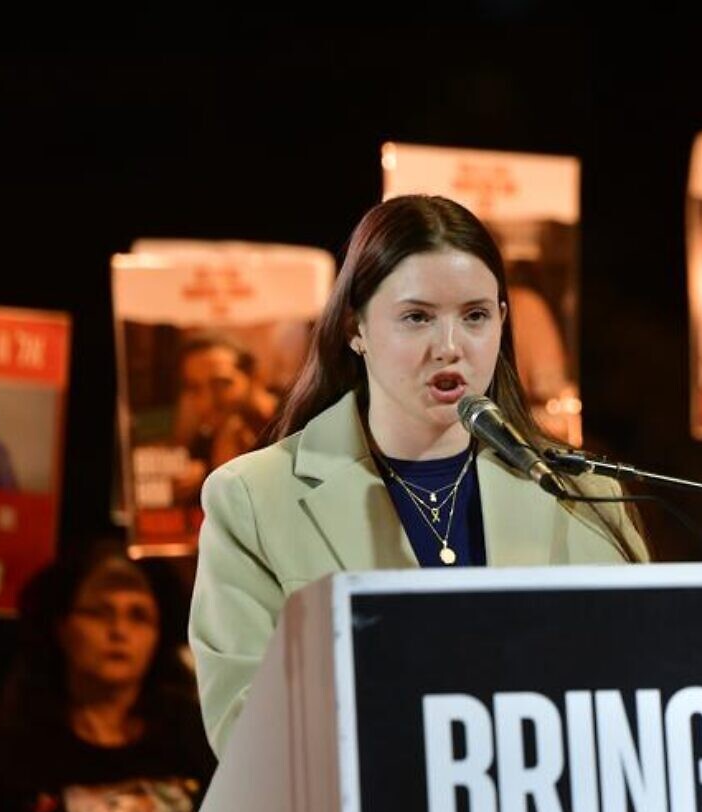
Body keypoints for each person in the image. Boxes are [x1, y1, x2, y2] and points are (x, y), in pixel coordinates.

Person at [189, 194, 648, 755]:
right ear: (355, 327)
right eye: (417, 317)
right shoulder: (253, 499)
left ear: (503, 322)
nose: (449, 347)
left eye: (475, 315)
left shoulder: (584, 493)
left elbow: (643, 692)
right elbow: (245, 728)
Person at [0, 545, 214, 812]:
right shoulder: (5, 753)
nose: (119, 631)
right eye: (100, 612)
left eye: (139, 616)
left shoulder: (195, 736)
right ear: (61, 627)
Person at [171, 335, 278, 503]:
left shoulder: (300, 419)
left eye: (220, 384)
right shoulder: (206, 439)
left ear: (256, 377)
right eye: (195, 388)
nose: (207, 402)